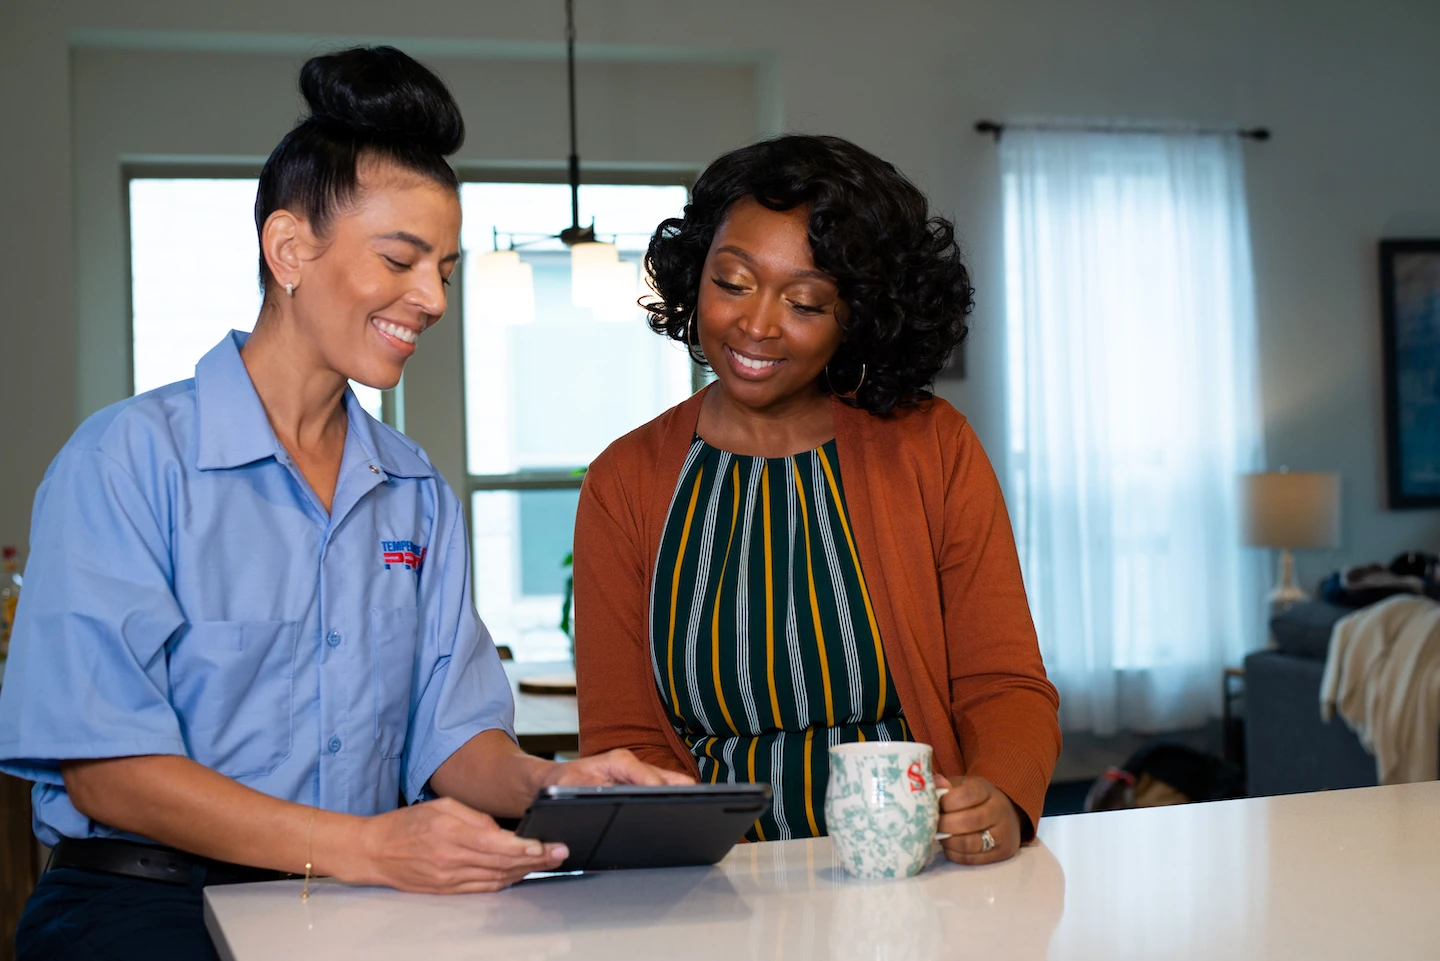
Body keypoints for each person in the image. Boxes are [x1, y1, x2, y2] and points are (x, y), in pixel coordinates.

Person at [0, 46, 686, 961]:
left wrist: (551, 780)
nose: (432, 297)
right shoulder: (127, 460)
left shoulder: (414, 491)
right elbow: (109, 774)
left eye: (444, 266)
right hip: (144, 906)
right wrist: (371, 846)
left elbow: (453, 737)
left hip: (362, 895)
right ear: (288, 248)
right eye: (400, 260)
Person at [573, 134, 1060, 864]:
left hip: (916, 873)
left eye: (804, 301)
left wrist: (1001, 793)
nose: (757, 324)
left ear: (856, 315)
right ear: (693, 275)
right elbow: (625, 740)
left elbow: (1002, 682)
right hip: (714, 887)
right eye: (733, 282)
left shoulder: (934, 448)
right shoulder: (624, 481)